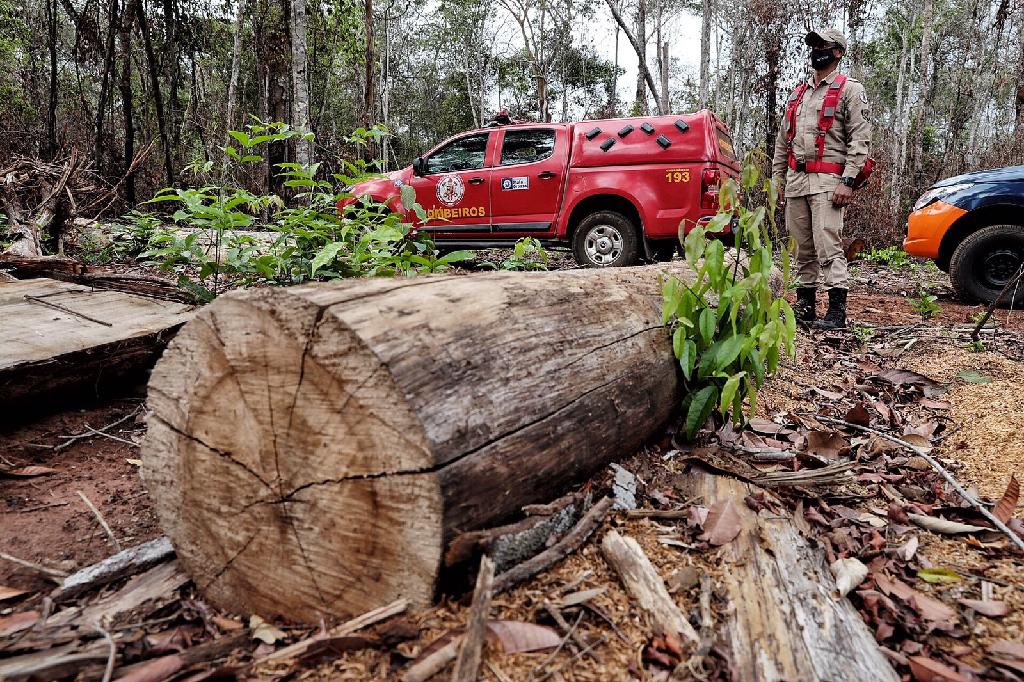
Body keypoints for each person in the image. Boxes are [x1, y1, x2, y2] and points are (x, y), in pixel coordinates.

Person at [771, 28, 872, 329]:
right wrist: (778, 181)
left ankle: (836, 312)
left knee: (828, 245)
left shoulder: (850, 90)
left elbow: (860, 140)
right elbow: (782, 142)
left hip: (829, 182)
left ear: (838, 51)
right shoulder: (798, 94)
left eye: (822, 45)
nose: (816, 50)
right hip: (796, 181)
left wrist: (849, 180)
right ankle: (805, 306)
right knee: (801, 247)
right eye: (813, 45)